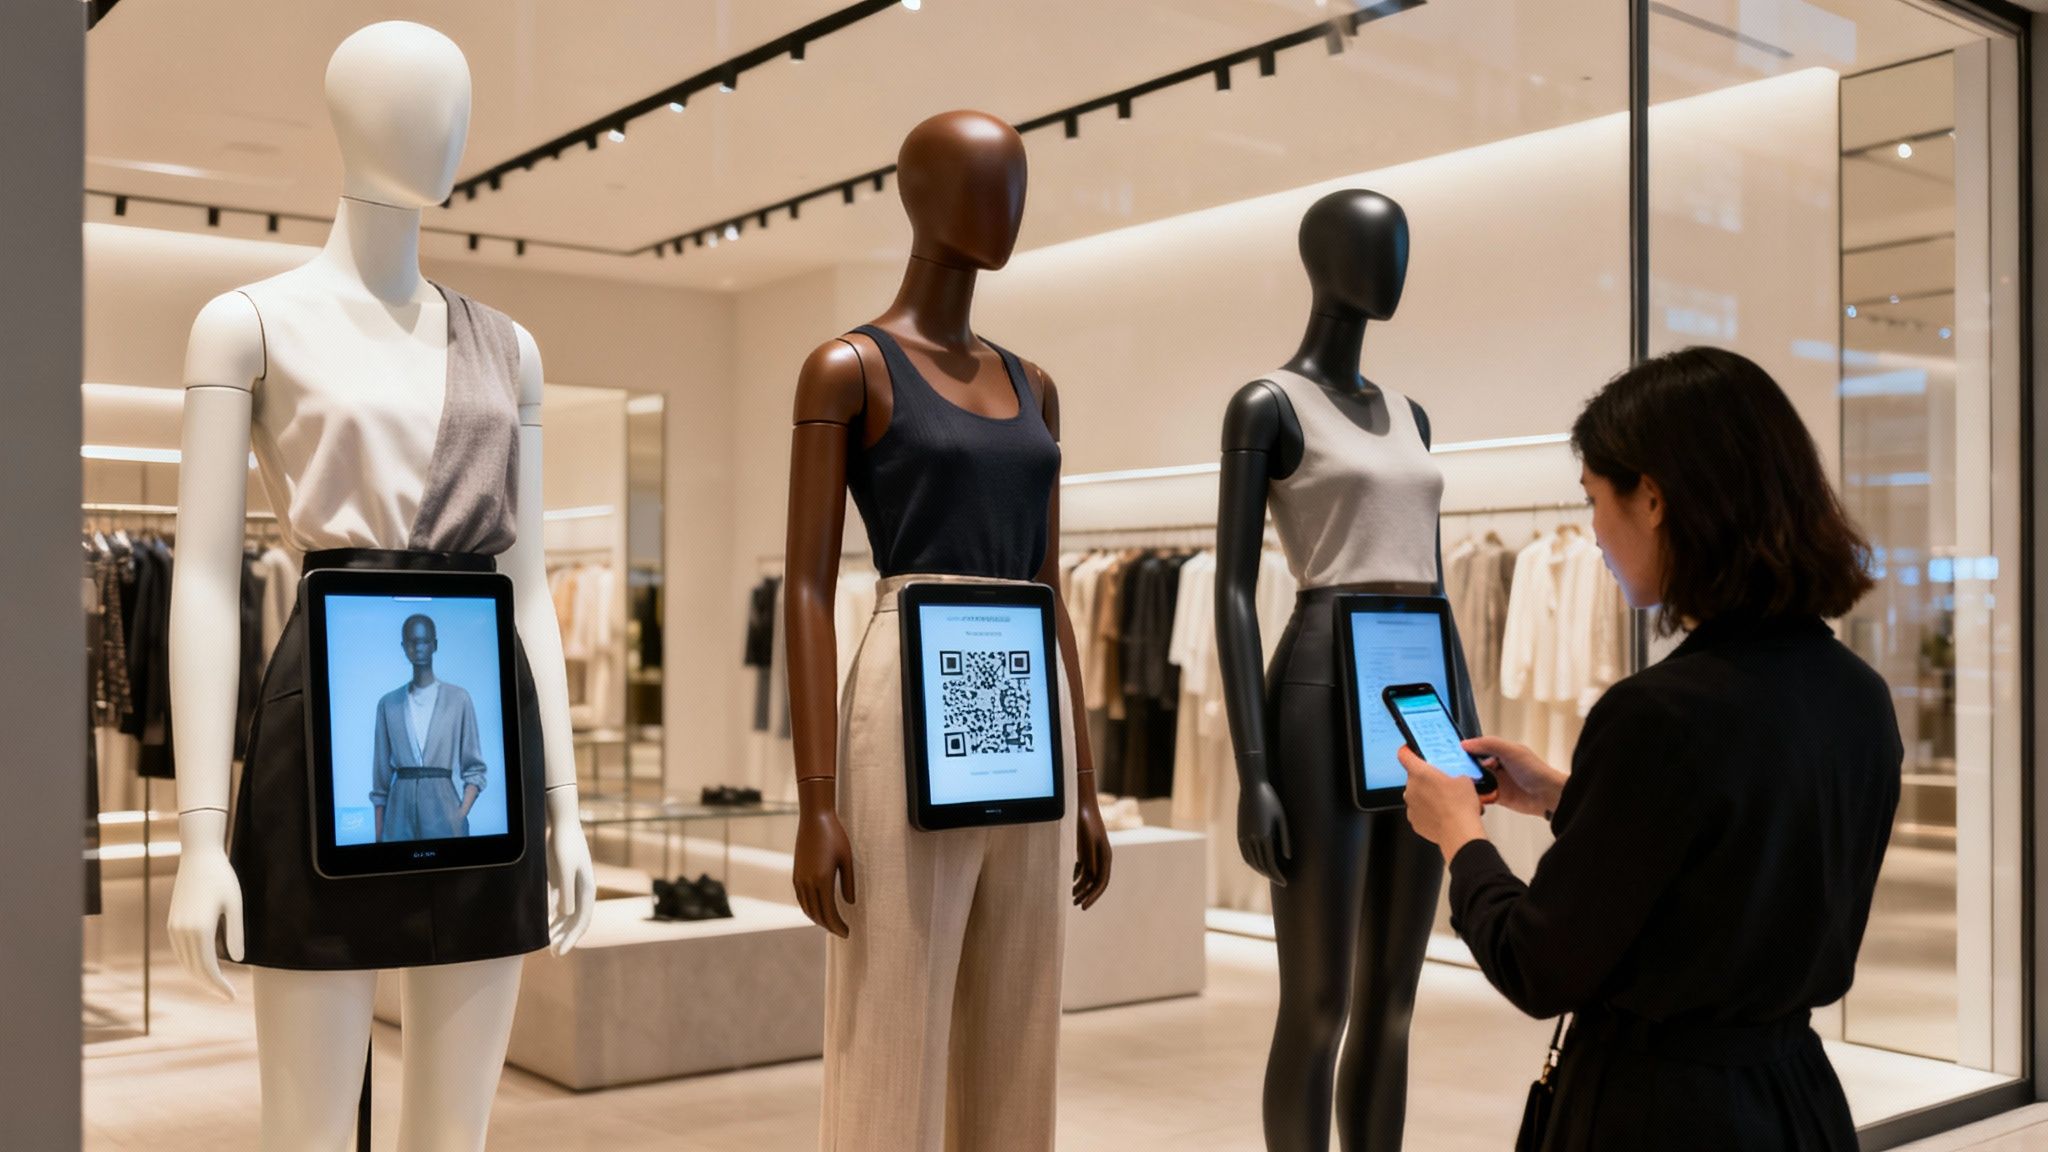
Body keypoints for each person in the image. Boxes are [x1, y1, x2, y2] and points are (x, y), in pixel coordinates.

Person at [1401, 346, 1901, 1151]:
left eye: (1595, 498)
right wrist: (1571, 797)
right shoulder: (1856, 693)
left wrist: (1459, 835)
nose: (1594, 531)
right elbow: (1735, 854)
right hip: (1799, 1101)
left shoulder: (1659, 715)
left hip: (1661, 1114)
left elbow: (1537, 963)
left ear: (1655, 499)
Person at [371, 613, 488, 842]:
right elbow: (380, 779)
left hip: (444, 810)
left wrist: (458, 814)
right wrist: (378, 837)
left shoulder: (458, 699)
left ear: (435, 645)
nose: (419, 647)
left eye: (425, 641)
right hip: (397, 816)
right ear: (404, 647)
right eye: (412, 642)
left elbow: (474, 768)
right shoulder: (389, 704)